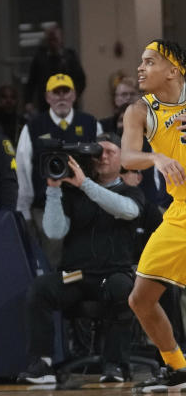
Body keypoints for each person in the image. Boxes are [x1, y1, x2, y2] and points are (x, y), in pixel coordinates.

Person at [18, 133, 144, 384]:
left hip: (112, 274)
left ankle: (115, 364)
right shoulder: (74, 192)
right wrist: (53, 191)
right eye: (98, 152)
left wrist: (85, 184)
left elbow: (127, 211)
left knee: (123, 288)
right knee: (41, 289)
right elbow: (55, 231)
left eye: (110, 151)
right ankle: (42, 364)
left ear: (122, 160)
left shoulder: (131, 192)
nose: (103, 156)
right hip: (78, 275)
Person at [122, 40, 186, 390]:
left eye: (149, 62)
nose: (140, 68)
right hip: (180, 212)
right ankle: (178, 367)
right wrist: (156, 158)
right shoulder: (138, 111)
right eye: (140, 62)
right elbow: (127, 158)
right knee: (140, 299)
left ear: (173, 70)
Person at [16, 73, 102, 264]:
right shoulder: (33, 127)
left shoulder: (91, 124)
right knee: (52, 257)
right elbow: (23, 168)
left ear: (74, 95)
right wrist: (25, 210)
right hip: (44, 204)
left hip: (83, 203)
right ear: (47, 97)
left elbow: (103, 164)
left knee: (84, 255)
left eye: (66, 91)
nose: (61, 97)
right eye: (56, 92)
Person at [24, 23, 87, 114]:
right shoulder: (40, 57)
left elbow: (81, 79)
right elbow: (31, 82)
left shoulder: (70, 56)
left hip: (68, 103)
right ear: (47, 41)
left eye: (55, 39)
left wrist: (73, 96)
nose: (53, 43)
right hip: (46, 104)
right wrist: (28, 101)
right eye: (50, 40)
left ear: (61, 39)